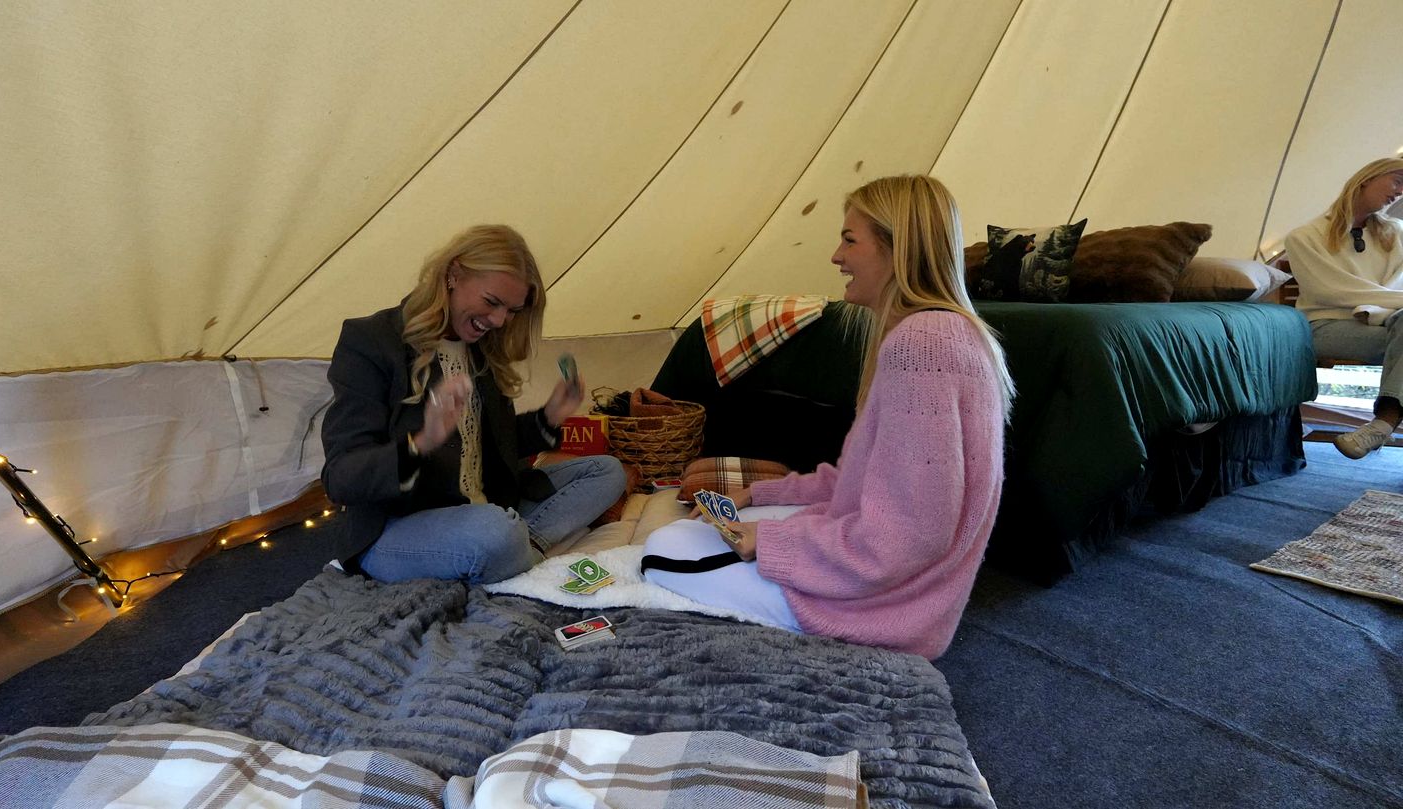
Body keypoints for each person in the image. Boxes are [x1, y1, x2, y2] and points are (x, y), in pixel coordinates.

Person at [643, 175, 1014, 659]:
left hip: (887, 607)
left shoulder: (922, 344)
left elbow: (912, 534)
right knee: (710, 525)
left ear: (895, 248)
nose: (836, 257)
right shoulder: (948, 333)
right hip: (888, 579)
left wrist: (774, 545)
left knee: (664, 550)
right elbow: (864, 482)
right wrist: (759, 493)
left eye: (849, 240)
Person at [321, 224, 626, 583]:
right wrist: (423, 441)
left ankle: (523, 548)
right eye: (492, 302)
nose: (498, 321)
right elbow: (341, 478)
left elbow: (490, 447)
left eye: (512, 310)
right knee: (493, 531)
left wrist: (549, 417)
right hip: (399, 525)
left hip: (487, 506)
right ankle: (512, 549)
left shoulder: (482, 349)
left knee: (607, 471)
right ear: (453, 275)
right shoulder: (372, 341)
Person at [1285, 157, 1403, 459]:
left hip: (1392, 325)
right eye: (1398, 181)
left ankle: (1381, 424)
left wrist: (1382, 309)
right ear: (1367, 177)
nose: (1399, 192)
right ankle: (1386, 421)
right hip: (1326, 326)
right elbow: (1331, 291)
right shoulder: (1304, 237)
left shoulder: (1398, 234)